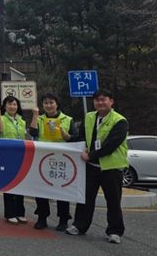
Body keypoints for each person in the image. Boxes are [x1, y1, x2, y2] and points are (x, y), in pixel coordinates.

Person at [66, 89, 128, 244]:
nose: (100, 103)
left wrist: (91, 155)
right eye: (97, 100)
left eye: (103, 99)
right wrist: (69, 139)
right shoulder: (89, 117)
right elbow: (82, 137)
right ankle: (79, 226)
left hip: (111, 168)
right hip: (91, 167)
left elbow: (111, 145)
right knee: (85, 198)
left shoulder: (120, 121)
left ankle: (115, 231)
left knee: (113, 201)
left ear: (111, 101)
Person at [28, 92, 77, 231]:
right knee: (41, 190)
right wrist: (35, 115)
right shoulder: (39, 118)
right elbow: (33, 133)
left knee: (62, 190)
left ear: (57, 104)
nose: (48, 105)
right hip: (43, 159)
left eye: (51, 102)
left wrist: (67, 136)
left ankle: (63, 219)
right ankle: (42, 217)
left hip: (62, 160)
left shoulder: (67, 119)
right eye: (46, 103)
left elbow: (75, 138)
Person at [0, 95, 29, 224]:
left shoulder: (21, 121)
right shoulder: (0, 118)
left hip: (21, 156)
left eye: (14, 104)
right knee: (9, 185)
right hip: (6, 156)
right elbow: (0, 131)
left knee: (20, 184)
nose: (12, 107)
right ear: (5, 106)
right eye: (10, 104)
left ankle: (20, 212)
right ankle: (10, 213)